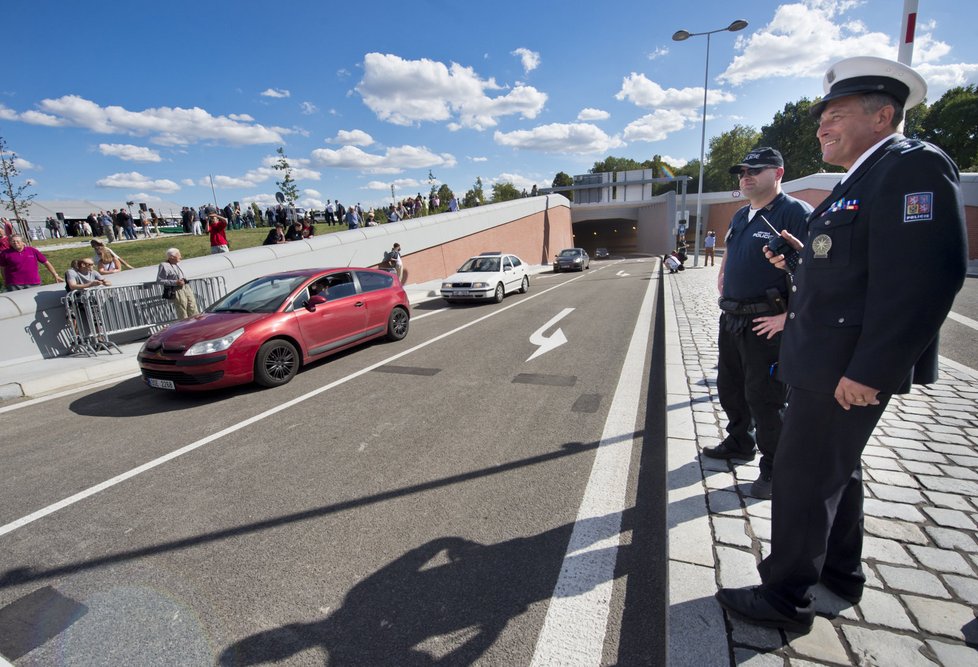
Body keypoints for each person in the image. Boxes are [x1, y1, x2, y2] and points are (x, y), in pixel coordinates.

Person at [715, 57, 968, 634]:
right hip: (825, 361)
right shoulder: (863, 177)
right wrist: (799, 261)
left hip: (843, 370)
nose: (823, 127)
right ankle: (838, 572)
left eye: (836, 115)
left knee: (803, 479)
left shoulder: (914, 166)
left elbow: (928, 276)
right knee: (835, 474)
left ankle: (785, 598)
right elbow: (856, 271)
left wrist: (872, 368)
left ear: (884, 115)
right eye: (822, 117)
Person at [702, 147, 812, 500]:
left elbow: (817, 272)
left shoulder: (795, 213)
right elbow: (732, 249)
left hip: (766, 321)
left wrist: (787, 318)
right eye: (742, 172)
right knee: (730, 388)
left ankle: (775, 469)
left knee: (766, 400)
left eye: (755, 170)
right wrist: (723, 270)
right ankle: (739, 442)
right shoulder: (740, 216)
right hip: (732, 317)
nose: (745, 176)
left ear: (778, 173)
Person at [157, 248, 199, 319]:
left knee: (193, 307)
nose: (180, 257)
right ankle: (185, 328)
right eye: (178, 255)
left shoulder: (179, 263)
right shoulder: (164, 265)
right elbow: (160, 280)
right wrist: (175, 282)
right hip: (177, 290)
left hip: (186, 287)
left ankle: (196, 325)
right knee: (182, 310)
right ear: (172, 257)